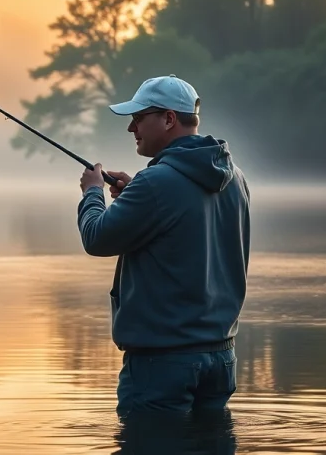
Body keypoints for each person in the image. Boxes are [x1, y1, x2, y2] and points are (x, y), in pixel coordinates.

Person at [76, 74, 251, 417]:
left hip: (162, 364)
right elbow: (181, 229)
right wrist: (133, 199)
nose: (131, 128)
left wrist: (92, 192)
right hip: (221, 358)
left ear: (169, 119)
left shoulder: (156, 183)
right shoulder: (236, 178)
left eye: (139, 118)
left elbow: (96, 238)